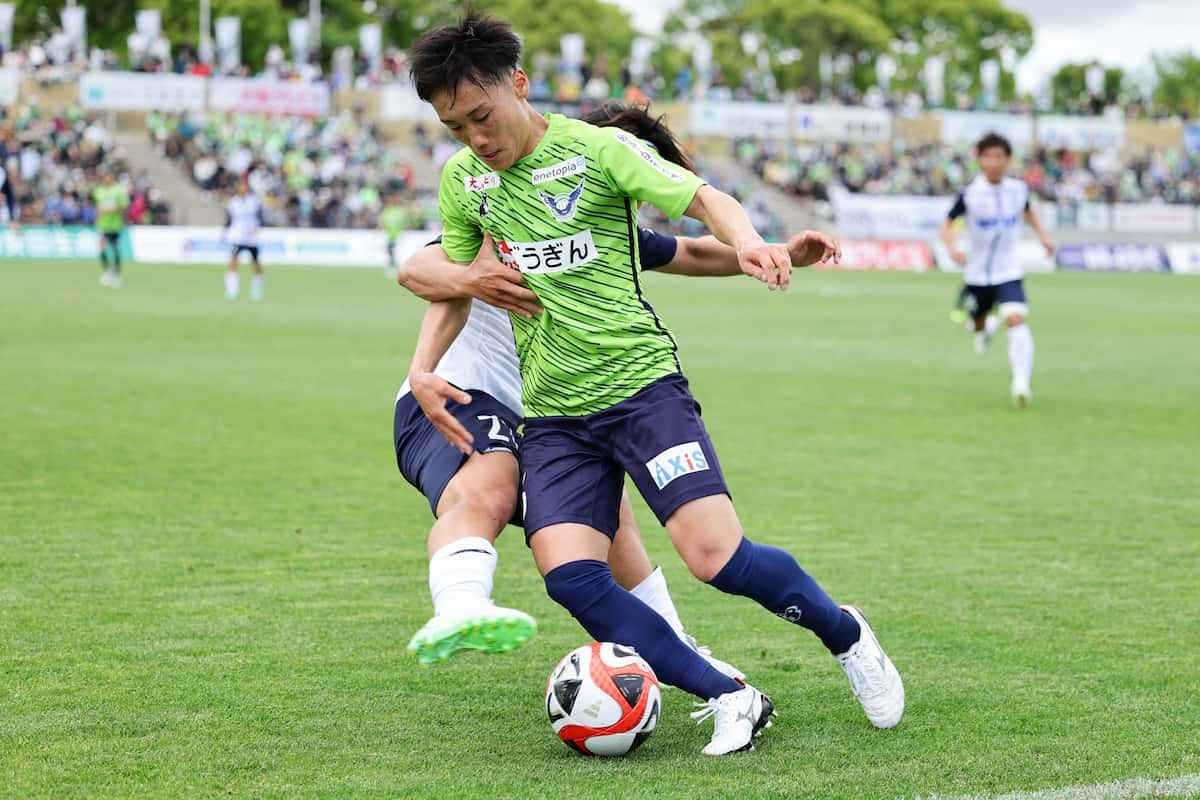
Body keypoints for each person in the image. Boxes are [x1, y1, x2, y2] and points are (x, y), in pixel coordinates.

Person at [406, 16, 904, 756]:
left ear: (518, 84)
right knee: (572, 578)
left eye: (481, 117)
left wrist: (754, 245)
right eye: (454, 127)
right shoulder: (466, 183)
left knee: (717, 559)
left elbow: (703, 203)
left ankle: (846, 632)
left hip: (642, 392)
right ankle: (731, 695)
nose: (475, 138)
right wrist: (423, 368)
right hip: (553, 418)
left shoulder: (597, 151)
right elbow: (451, 282)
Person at [397, 103, 840, 677]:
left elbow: (691, 252)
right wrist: (469, 279)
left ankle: (678, 647)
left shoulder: (603, 229)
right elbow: (416, 268)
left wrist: (780, 253)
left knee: (611, 521)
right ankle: (459, 606)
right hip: (457, 390)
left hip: (550, 405)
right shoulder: (495, 208)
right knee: (491, 485)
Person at [940, 132, 1054, 407]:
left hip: (1008, 270)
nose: (994, 162)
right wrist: (952, 247)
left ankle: (1021, 384)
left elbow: (1028, 213)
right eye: (988, 156)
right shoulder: (969, 193)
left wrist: (1043, 237)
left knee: (1016, 319)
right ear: (979, 160)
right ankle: (985, 328)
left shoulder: (1018, 189)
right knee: (976, 325)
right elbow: (948, 224)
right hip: (977, 274)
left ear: (1007, 160)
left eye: (1000, 156)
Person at [225, 177, 265, 301]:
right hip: (237, 237)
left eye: (245, 186)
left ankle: (257, 289)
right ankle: (232, 290)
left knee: (256, 264)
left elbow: (260, 218)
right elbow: (229, 219)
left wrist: (257, 228)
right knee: (233, 262)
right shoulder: (233, 202)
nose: (243, 188)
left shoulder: (254, 201)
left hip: (251, 238)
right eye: (240, 186)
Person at [92, 170, 129, 288]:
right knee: (102, 249)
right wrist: (97, 216)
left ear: (112, 177)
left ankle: (117, 275)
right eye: (104, 177)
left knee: (116, 250)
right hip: (102, 225)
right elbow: (98, 206)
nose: (106, 179)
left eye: (108, 176)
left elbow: (124, 205)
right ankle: (106, 272)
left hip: (115, 225)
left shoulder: (118, 190)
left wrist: (110, 209)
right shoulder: (99, 190)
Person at [379, 192, 413, 280]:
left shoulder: (400, 211)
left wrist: (405, 228)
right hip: (390, 236)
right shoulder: (387, 210)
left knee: (395, 252)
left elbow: (406, 223)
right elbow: (382, 223)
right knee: (391, 252)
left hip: (399, 236)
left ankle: (397, 268)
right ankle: (393, 267)